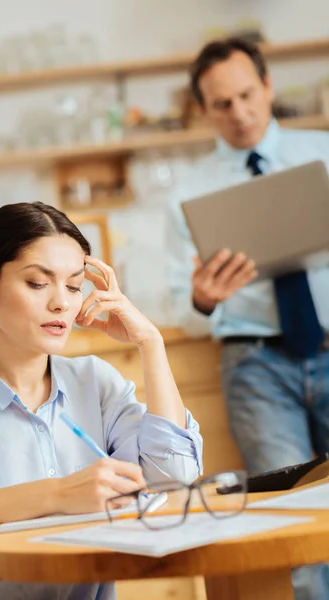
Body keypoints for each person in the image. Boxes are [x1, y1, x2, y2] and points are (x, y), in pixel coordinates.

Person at [0, 201, 203, 600]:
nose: (62, 302)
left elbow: (175, 477)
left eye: (74, 286)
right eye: (38, 283)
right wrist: (56, 495)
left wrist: (151, 343)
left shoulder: (96, 382)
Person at [166, 37, 329, 600]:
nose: (239, 113)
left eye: (246, 95)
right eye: (221, 104)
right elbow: (178, 309)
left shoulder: (324, 154)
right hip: (256, 365)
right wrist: (205, 298)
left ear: (268, 87)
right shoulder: (187, 193)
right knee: (293, 527)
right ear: (203, 110)